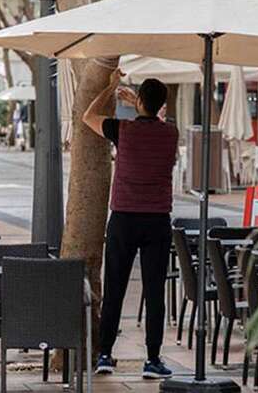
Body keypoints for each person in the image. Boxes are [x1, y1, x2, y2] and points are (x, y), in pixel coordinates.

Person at [82, 69, 178, 380]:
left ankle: (105, 355)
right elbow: (155, 120)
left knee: (115, 288)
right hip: (157, 221)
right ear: (161, 104)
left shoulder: (122, 130)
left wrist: (111, 86)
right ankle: (152, 359)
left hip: (124, 218)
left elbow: (88, 116)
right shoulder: (171, 133)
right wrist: (140, 102)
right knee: (155, 292)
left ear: (138, 102)